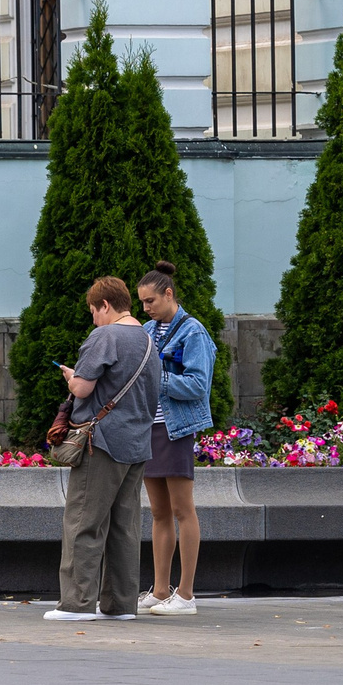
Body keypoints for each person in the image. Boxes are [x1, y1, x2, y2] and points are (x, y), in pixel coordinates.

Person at [45, 276, 160, 623]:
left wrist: (69, 376)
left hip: (103, 444)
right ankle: (121, 605)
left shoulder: (106, 335)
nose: (93, 319)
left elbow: (82, 387)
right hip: (137, 443)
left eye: (94, 311)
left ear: (105, 306)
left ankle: (77, 604)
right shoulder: (148, 339)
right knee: (124, 527)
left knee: (84, 521)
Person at [137, 261, 217, 616]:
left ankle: (185, 595)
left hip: (176, 429)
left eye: (151, 301)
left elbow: (199, 385)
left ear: (169, 294)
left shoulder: (193, 332)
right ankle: (159, 590)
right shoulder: (146, 329)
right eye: (142, 302)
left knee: (183, 511)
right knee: (158, 513)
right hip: (148, 428)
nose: (146, 308)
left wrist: (160, 381)